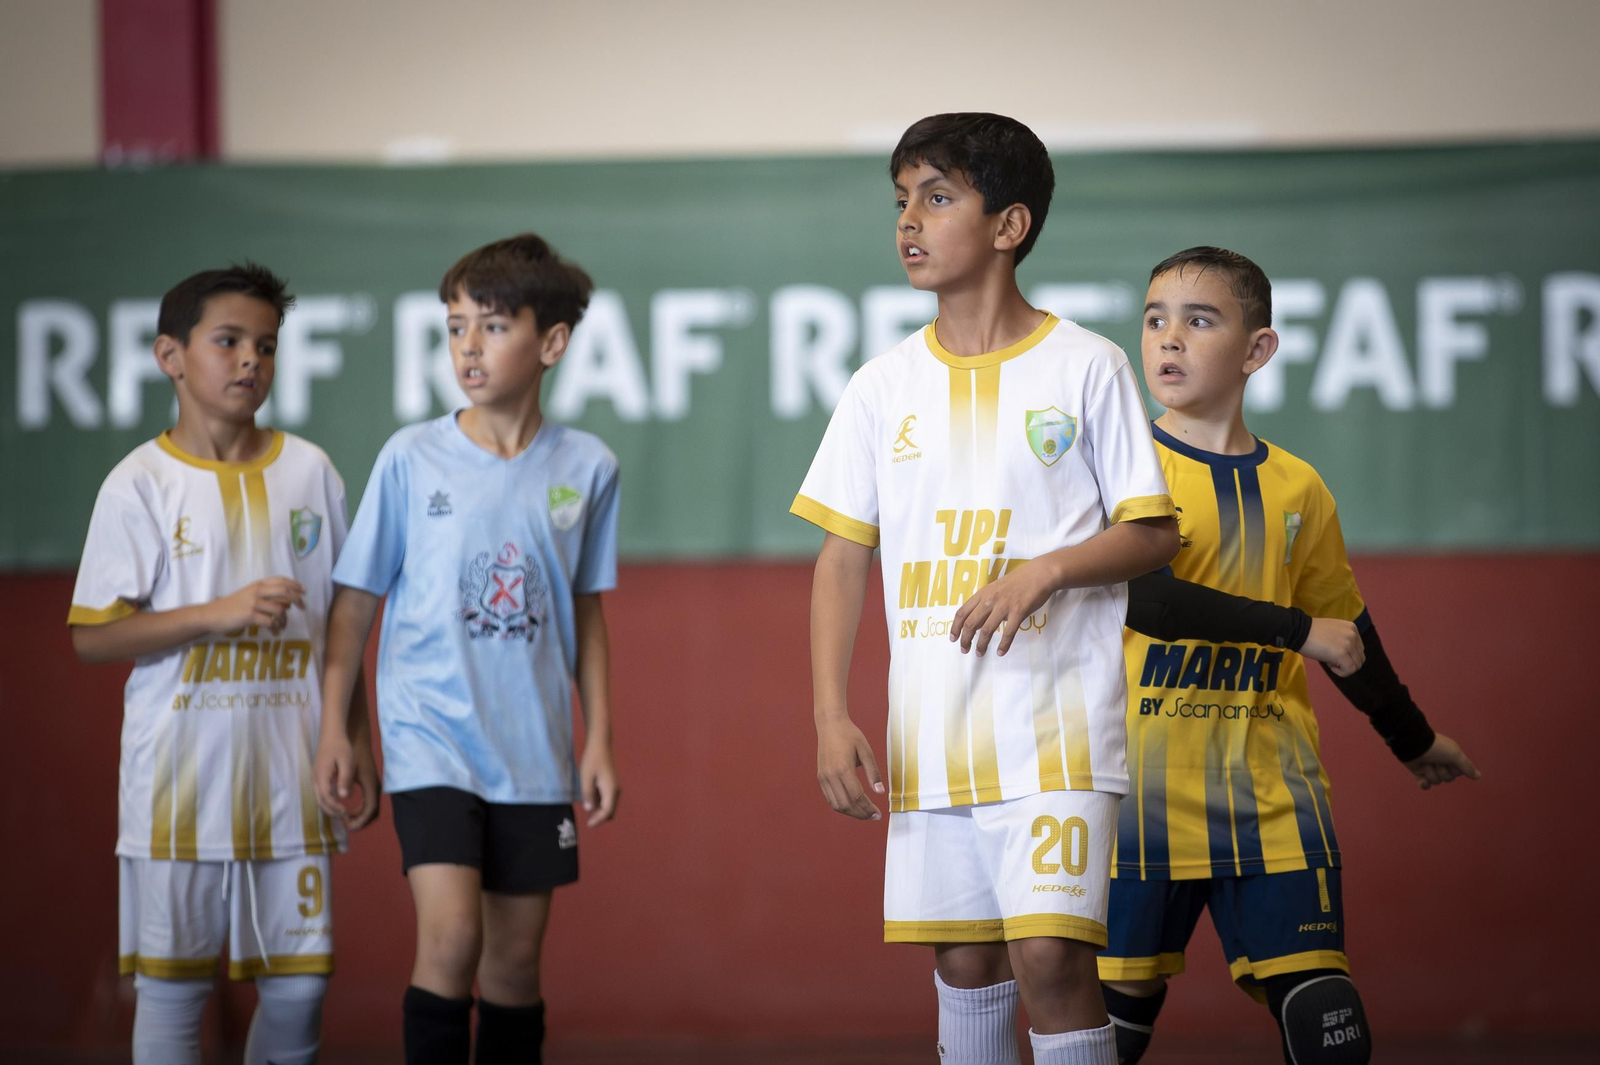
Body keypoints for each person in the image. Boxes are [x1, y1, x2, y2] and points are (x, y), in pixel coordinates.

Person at [793, 111, 1182, 1065]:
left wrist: (1045, 570)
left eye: (937, 198)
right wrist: (829, 714)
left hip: (1058, 729)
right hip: (930, 735)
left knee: (1049, 954)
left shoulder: (1087, 364)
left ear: (1010, 225)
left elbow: (1155, 530)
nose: (909, 221)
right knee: (966, 963)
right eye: (901, 200)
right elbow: (842, 556)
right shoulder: (880, 386)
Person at [1099, 247, 1481, 1065]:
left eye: (1199, 320)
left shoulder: (1299, 488)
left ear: (1257, 349)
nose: (1169, 338)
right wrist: (1293, 629)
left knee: (1328, 1023)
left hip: (1273, 795)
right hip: (1134, 796)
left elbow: (1348, 631)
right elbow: (1145, 599)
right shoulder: (1122, 468)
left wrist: (1412, 737)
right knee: (1108, 1030)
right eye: (1155, 319)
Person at [314, 234, 621, 1065]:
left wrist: (598, 737)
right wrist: (339, 727)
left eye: (492, 325)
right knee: (451, 940)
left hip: (534, 755)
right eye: (455, 327)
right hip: (431, 739)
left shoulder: (589, 467)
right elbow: (353, 606)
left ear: (551, 342)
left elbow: (586, 610)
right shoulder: (411, 458)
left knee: (514, 965)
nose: (469, 347)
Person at [68, 263, 377, 1065]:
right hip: (177, 785)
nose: (250, 360)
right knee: (174, 992)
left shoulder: (311, 471)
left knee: (300, 990)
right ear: (170, 355)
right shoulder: (138, 483)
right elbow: (93, 637)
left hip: (294, 777)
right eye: (229, 340)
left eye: (266, 346)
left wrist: (357, 737)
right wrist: (219, 611)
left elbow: (342, 621)